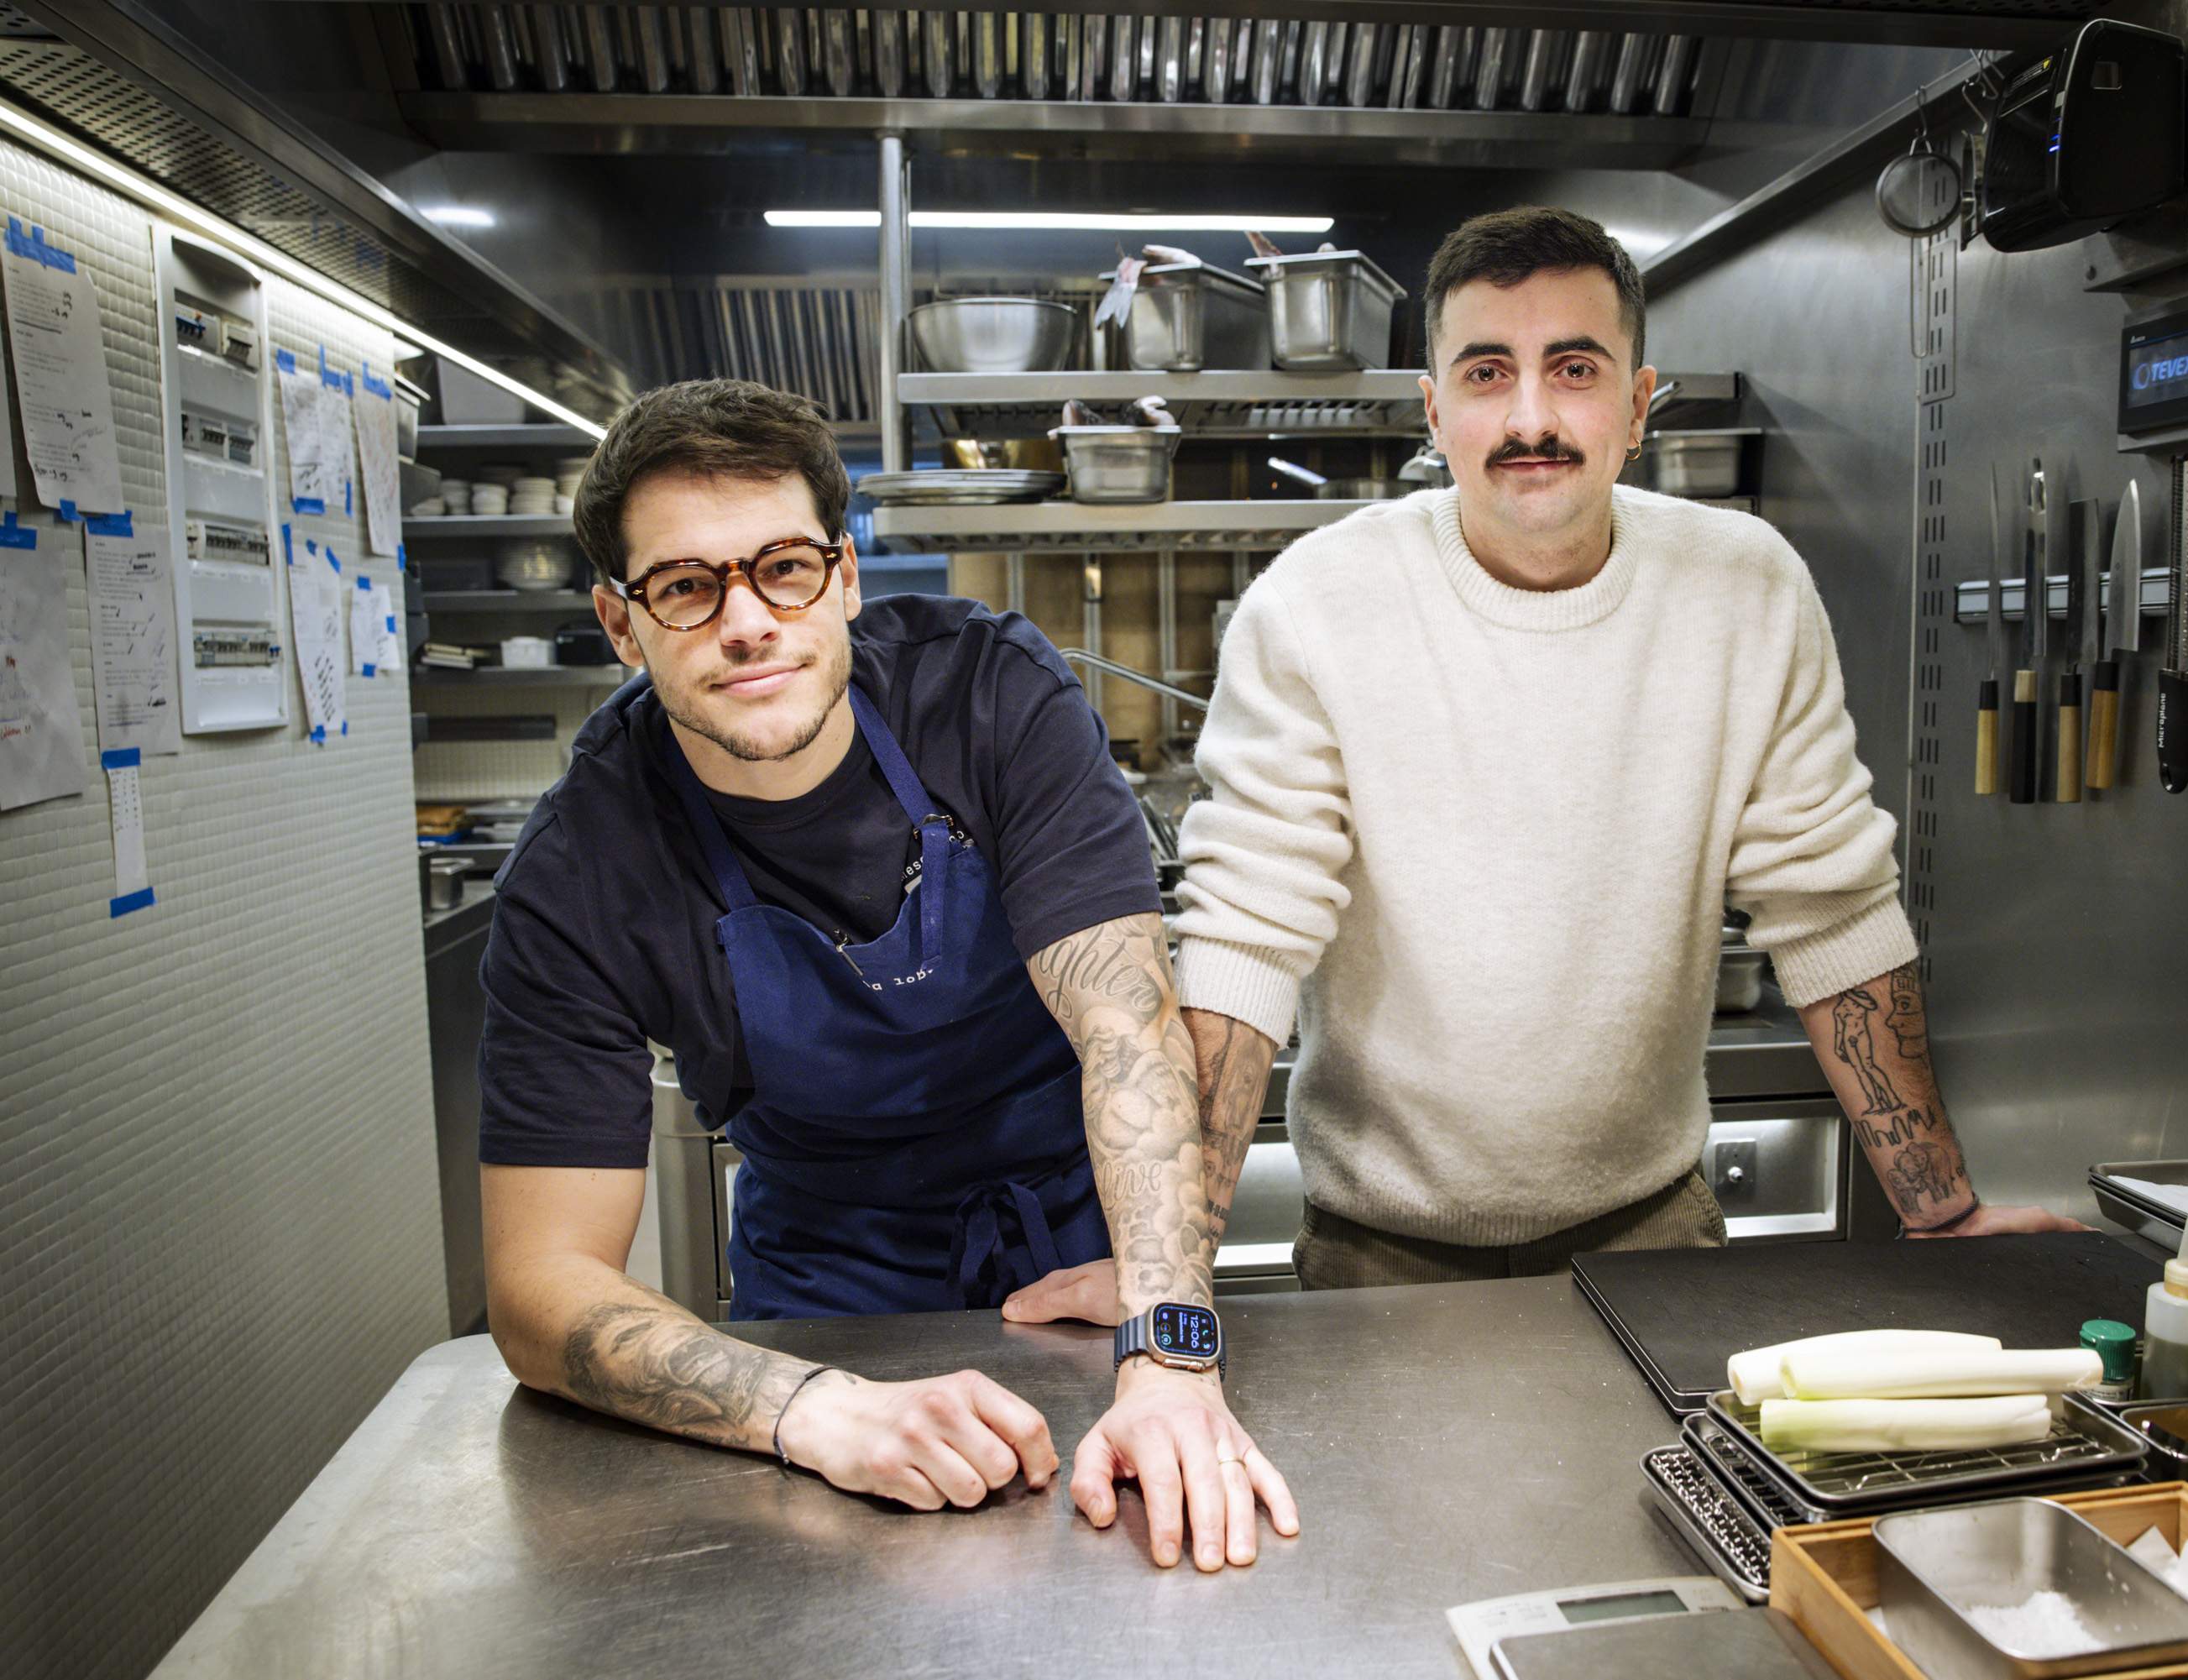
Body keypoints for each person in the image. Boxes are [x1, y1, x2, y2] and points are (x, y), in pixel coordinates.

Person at [1007, 206, 2082, 1326]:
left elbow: (1832, 908)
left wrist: (1944, 1215)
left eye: (1574, 369)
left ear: (1637, 404)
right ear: (1436, 411)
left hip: (1657, 1241)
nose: (1531, 418)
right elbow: (1245, 941)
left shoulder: (1746, 590)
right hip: (1378, 1259)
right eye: (1487, 372)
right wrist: (1167, 1272)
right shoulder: (1317, 606)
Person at [475, 379, 1293, 1572]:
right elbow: (540, 1282)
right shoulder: (582, 867)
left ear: (846, 577)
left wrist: (1168, 1336)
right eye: (688, 587)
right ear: (621, 623)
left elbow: (1126, 1023)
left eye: (785, 569)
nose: (746, 620)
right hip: (825, 1293)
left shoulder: (990, 695)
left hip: (1092, 1250)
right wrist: (816, 1408)